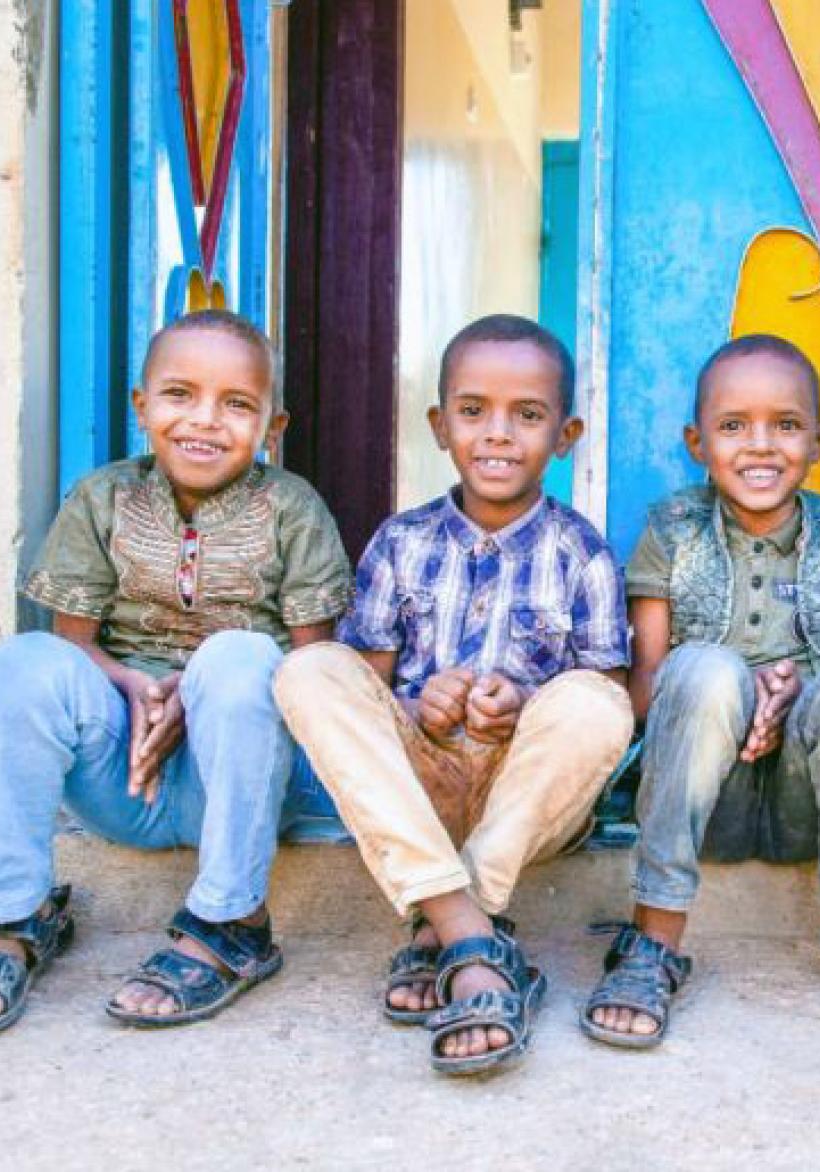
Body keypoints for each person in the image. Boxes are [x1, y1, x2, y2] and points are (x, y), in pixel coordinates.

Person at [274, 315, 633, 1076]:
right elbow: (364, 688)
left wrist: (525, 703)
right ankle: (470, 930)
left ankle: (443, 926)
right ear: (440, 426)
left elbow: (604, 698)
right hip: (421, 786)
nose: (497, 435)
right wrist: (416, 705)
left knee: (600, 703)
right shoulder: (401, 541)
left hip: (524, 804)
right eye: (473, 412)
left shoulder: (584, 554)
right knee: (310, 670)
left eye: (527, 416)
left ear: (564, 434)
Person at [0, 309, 351, 1033]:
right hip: (126, 771)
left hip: (244, 780)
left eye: (237, 405)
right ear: (142, 406)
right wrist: (130, 683)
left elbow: (316, 671)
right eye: (180, 394)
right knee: (27, 662)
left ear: (272, 428)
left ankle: (231, 922)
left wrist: (201, 687)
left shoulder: (292, 509)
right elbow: (73, 646)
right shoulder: (103, 498)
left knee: (240, 655)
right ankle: (12, 914)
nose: (205, 421)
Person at [582, 334, 820, 1049]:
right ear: (696, 441)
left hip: (813, 802)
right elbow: (644, 691)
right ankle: (654, 937)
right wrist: (742, 688)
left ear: (819, 440)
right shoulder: (671, 532)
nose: (760, 446)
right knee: (702, 670)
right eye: (733, 426)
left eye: (786, 425)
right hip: (705, 801)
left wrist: (801, 684)